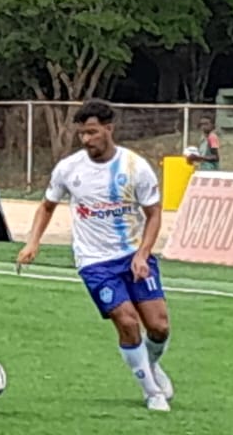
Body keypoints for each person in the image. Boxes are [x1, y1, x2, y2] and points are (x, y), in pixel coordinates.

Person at [17, 99, 174, 412]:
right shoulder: (69, 169)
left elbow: (154, 214)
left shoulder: (135, 167)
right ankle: (151, 392)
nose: (86, 140)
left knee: (159, 327)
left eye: (92, 132)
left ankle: (151, 365)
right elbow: (47, 206)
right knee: (127, 322)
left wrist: (143, 254)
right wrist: (33, 242)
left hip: (133, 256)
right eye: (82, 134)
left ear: (109, 129)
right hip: (94, 262)